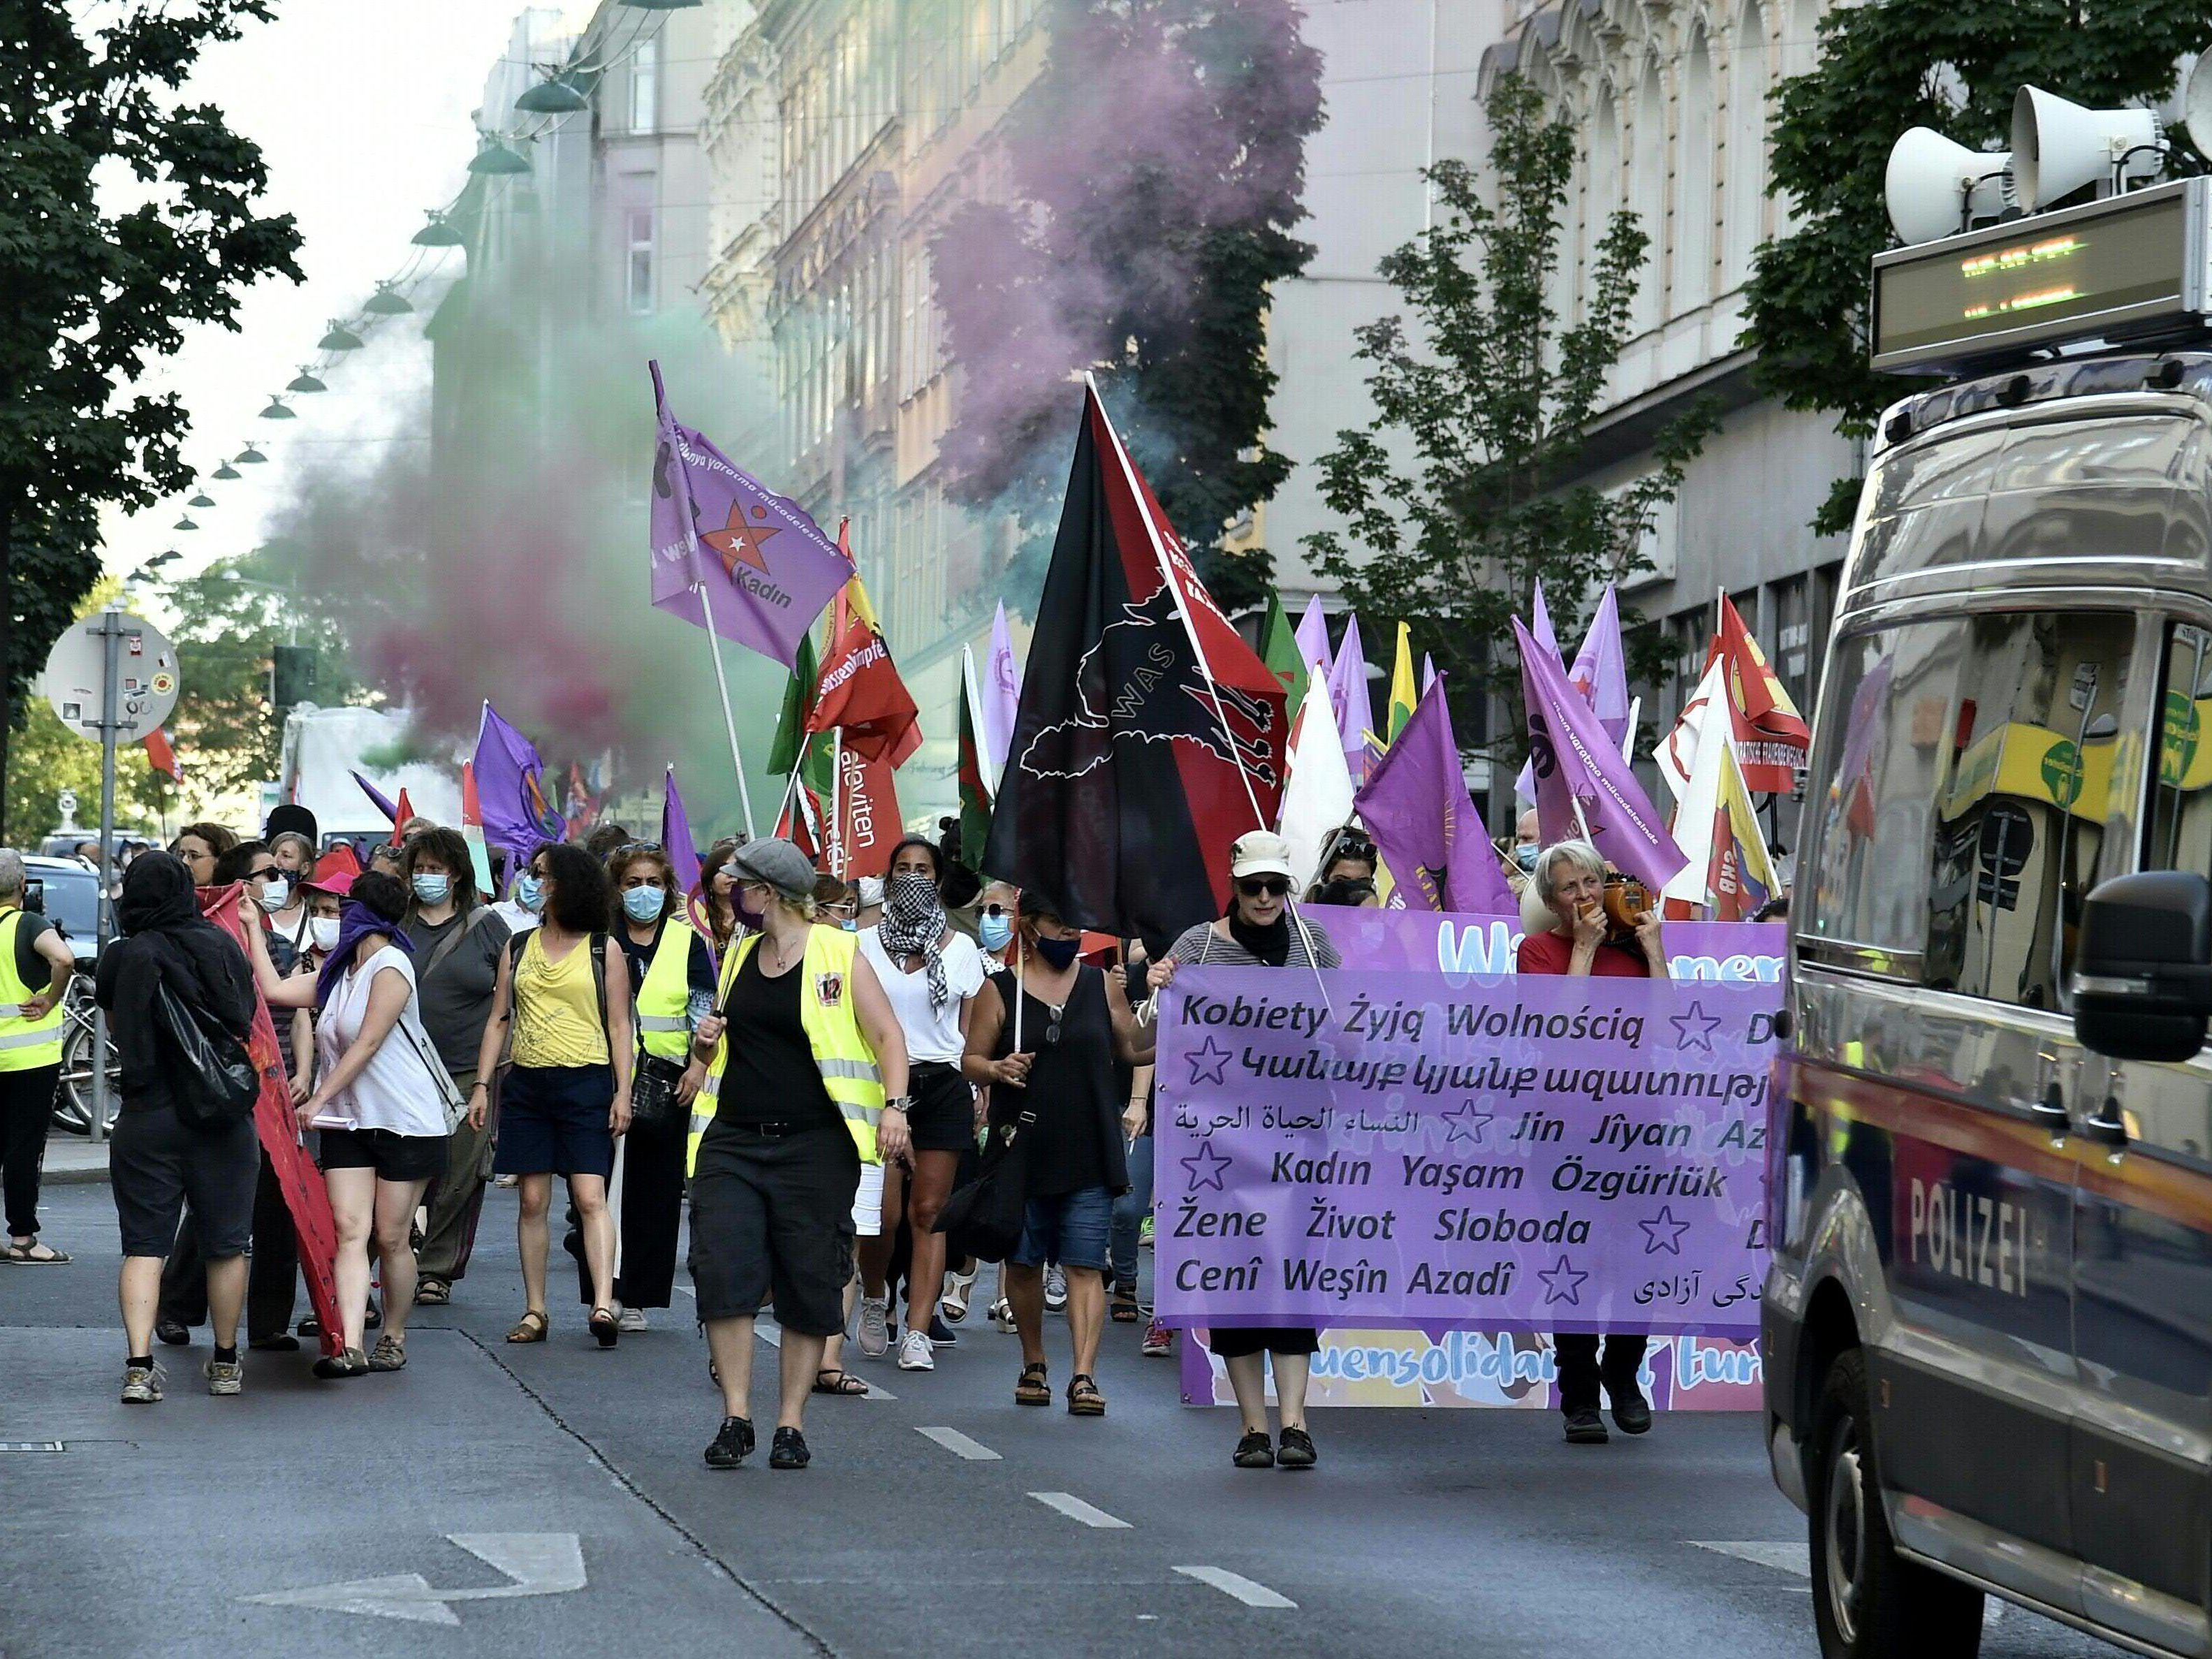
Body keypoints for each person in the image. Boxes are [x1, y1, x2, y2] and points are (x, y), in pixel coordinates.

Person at [682, 839, 912, 1470]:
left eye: (740, 884)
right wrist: (704, 1046)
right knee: (723, 1270)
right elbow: (718, 1048)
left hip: (815, 1145)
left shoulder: (838, 951)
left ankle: (790, 1422)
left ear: (768, 892)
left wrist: (895, 1106)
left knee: (808, 1278)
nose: (732, 894)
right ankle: (736, 1417)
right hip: (732, 1139)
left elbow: (887, 1035)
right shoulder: (738, 950)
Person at [1152, 830, 1338, 1468]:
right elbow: (1153, 1036)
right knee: (1233, 1279)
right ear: (1233, 886)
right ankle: (1253, 1427)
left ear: (1288, 888)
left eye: (1274, 886)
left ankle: (1295, 1424)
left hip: (1298, 1139)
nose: (1263, 897)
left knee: (1289, 1274)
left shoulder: (1314, 947)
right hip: (1220, 1145)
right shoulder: (1196, 947)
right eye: (1252, 886)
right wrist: (1157, 987)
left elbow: (1345, 1028)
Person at [249, 871, 449, 1377]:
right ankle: (350, 1344)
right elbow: (274, 989)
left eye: (339, 910)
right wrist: (251, 926)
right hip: (349, 1121)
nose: (332, 920)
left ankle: (394, 1336)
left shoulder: (392, 964)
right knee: (349, 1230)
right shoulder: (339, 971)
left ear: (363, 915)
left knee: (392, 1236)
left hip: (404, 1120)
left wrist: (318, 1096)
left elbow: (368, 1043)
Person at [964, 893, 1152, 1419]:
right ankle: (1034, 1361)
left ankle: (1084, 1375)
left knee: (1084, 1264)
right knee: (1024, 1262)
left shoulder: (1101, 984)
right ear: (1029, 927)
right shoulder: (1000, 990)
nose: (1070, 932)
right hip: (1021, 1150)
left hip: (1088, 1146)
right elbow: (971, 1059)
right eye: (1058, 922)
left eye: (1076, 923)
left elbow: (1134, 1046)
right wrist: (996, 1069)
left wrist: (1170, 1004)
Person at [1516, 838, 1667, 1445]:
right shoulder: (1538, 951)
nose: (1584, 895)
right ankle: (1578, 1395)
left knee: (1637, 1259)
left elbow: (1667, 1027)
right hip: (1566, 1131)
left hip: (1635, 1128)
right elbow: (1556, 1030)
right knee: (1573, 1261)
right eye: (1570, 887)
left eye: (1590, 882)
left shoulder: (1632, 950)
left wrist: (1653, 950)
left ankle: (1623, 1375)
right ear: (1552, 902)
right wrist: (1581, 949)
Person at [97, 852, 259, 1403]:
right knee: (227, 1245)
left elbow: (120, 1030)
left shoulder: (121, 956)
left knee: (145, 1246)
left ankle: (139, 1367)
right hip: (219, 1114)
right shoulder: (221, 945)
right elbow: (243, 1017)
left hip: (147, 1116)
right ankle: (226, 1361)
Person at [470, 842, 633, 1347]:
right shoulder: (518, 946)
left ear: (567, 884)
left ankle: (602, 1302)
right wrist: (481, 1086)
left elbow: (620, 1025)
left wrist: (623, 1092)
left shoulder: (604, 949)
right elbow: (499, 1019)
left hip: (586, 1081)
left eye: (542, 874)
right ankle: (535, 1309)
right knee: (532, 1199)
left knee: (589, 1196)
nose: (533, 881)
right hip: (527, 1084)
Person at [156, 842, 302, 1351]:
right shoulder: (206, 943)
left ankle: (269, 1323)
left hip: (277, 1090)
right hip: (226, 1089)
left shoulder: (279, 947)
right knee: (215, 1205)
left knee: (280, 1206)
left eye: (280, 871)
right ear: (239, 885)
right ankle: (176, 1308)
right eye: (266, 873)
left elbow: (297, 1014)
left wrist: (303, 1072)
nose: (277, 881)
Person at [858, 836, 987, 1373]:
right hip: (879, 1086)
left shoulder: (962, 949)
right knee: (883, 1214)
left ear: (938, 880)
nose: (913, 877)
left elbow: (967, 1031)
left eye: (923, 869)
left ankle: (917, 1330)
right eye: (903, 868)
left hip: (941, 1085)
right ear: (888, 877)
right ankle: (873, 1297)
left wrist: (977, 1087)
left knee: (929, 1212)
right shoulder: (861, 945)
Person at [602, 842, 712, 1332]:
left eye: (653, 882)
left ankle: (638, 1296)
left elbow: (703, 1013)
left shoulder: (686, 942)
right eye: (632, 883)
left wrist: (698, 1067)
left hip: (666, 1083)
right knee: (600, 1193)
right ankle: (604, 1290)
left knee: (655, 1194)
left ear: (668, 889)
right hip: (603, 1078)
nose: (642, 892)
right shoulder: (600, 939)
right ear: (617, 889)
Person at [401, 828, 511, 1307]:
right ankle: (397, 1251)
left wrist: (489, 1076)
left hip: (467, 1069)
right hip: (402, 1069)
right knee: (403, 1169)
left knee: (461, 1172)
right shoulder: (396, 922)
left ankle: (437, 1269)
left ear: (458, 875)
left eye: (436, 869)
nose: (426, 877)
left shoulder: (488, 926)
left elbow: (507, 1003)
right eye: (419, 868)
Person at [0, 849, 75, 1265]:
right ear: (22, 884)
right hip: (29, 1061)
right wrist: (51, 997)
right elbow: (63, 958)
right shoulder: (27, 924)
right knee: (23, 1150)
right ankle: (23, 1240)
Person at [697, 837, 743, 959]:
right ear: (709, 880)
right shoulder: (699, 919)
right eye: (723, 868)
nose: (731, 874)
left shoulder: (757, 917)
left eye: (736, 868)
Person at [1303, 825, 1377, 901]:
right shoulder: (1302, 909)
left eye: (1362, 883)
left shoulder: (1380, 908)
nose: (1352, 891)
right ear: (1326, 877)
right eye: (1341, 882)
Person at [173, 821, 237, 889]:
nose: (184, 862)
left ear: (219, 860)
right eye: (181, 856)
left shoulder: (240, 894)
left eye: (194, 856)